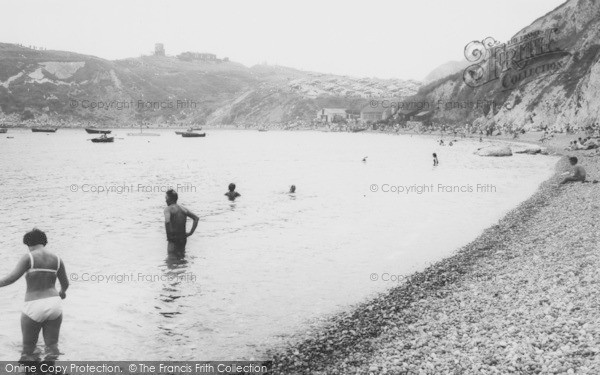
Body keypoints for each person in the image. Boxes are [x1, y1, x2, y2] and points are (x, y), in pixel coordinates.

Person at [0, 228, 68, 361]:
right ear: (44, 242)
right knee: (52, 347)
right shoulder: (58, 259)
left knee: (28, 349)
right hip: (55, 305)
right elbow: (65, 284)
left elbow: (10, 279)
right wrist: (62, 292)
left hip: (34, 305)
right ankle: (50, 370)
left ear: (28, 244)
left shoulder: (29, 257)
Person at [164, 189, 199, 255]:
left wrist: (169, 237)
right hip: (183, 238)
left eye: (166, 198)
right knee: (181, 257)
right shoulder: (183, 209)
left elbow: (167, 222)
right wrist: (190, 233)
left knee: (171, 260)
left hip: (173, 239)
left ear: (169, 199)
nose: (165, 200)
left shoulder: (168, 209)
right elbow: (196, 218)